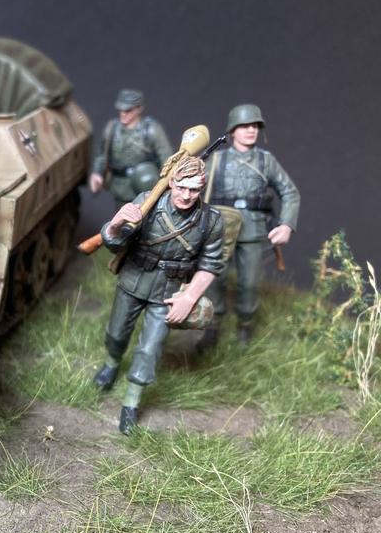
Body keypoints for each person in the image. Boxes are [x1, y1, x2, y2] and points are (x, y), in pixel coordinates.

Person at [93, 155, 225, 434]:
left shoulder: (210, 220)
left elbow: (211, 264)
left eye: (194, 189)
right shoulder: (149, 201)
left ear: (202, 188)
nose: (186, 195)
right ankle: (111, 364)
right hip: (134, 280)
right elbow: (115, 242)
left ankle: (131, 402)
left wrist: (189, 297)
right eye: (181, 187)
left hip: (169, 291)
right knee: (117, 332)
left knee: (150, 348)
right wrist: (115, 223)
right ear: (171, 182)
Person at [199, 104, 300, 348]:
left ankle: (245, 325)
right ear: (232, 130)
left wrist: (286, 225)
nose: (251, 130)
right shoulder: (217, 158)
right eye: (244, 125)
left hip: (253, 229)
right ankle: (212, 325)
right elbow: (194, 187)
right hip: (220, 227)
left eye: (255, 125)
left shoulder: (266, 160)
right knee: (212, 278)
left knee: (249, 283)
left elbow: (290, 192)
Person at [89, 88, 174, 211]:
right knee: (122, 218)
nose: (123, 114)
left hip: (147, 185)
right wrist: (97, 173)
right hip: (121, 187)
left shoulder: (151, 130)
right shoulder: (112, 129)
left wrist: (166, 184)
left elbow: (167, 159)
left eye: (128, 110)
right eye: (121, 110)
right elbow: (102, 155)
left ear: (139, 109)